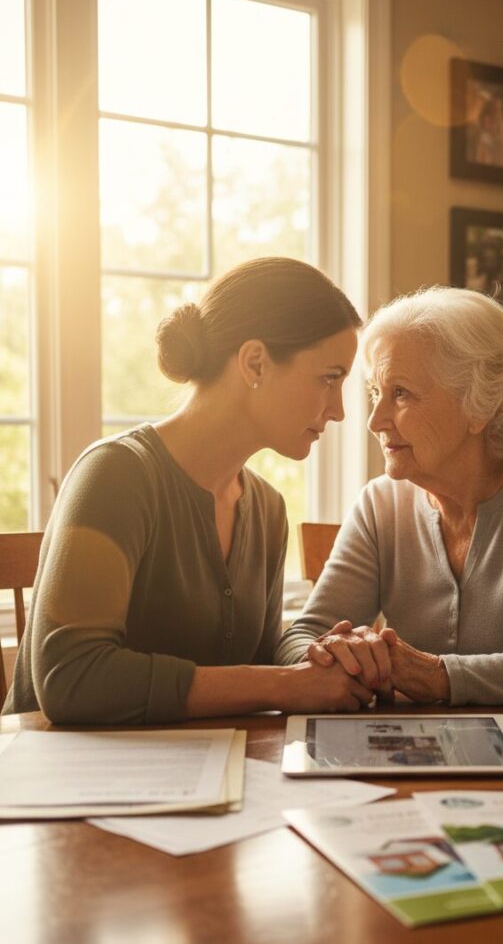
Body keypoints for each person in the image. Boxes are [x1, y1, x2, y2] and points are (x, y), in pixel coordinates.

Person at [3, 257, 375, 724]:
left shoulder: (267, 510)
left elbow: (257, 668)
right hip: (57, 783)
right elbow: (71, 678)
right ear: (255, 361)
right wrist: (285, 683)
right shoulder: (115, 476)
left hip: (202, 776)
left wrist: (331, 659)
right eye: (329, 377)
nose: (339, 410)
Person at [276, 286, 503, 705]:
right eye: (377, 393)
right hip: (410, 757)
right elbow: (300, 638)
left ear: (479, 405)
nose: (375, 421)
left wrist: (439, 676)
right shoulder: (380, 505)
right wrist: (334, 653)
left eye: (401, 393)